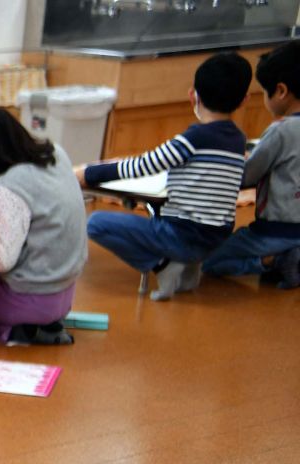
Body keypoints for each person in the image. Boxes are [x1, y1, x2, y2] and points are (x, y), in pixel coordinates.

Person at [79, 52, 252, 300]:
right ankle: (187, 264)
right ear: (244, 100)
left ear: (193, 94)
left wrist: (87, 174)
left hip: (183, 234)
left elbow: (141, 166)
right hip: (216, 238)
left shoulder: (195, 139)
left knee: (96, 224)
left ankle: (162, 265)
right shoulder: (238, 140)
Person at [0, 107, 88, 345]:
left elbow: (2, 259)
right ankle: (32, 326)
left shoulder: (8, 185)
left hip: (31, 297)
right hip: (65, 292)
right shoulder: (55, 154)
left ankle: (21, 330)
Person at [204, 41, 300, 288]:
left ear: (280, 91)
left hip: (275, 230)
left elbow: (246, 177)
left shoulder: (282, 130)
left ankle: (273, 261)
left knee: (205, 262)